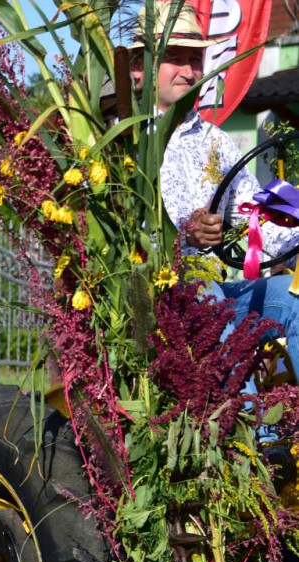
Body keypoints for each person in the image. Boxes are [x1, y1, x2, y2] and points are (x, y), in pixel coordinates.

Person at [129, 2, 299, 369]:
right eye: (176, 58)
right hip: (148, 305)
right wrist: (183, 238)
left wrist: (295, 228)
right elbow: (116, 245)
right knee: (208, 299)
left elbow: (254, 220)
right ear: (139, 67)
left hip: (214, 296)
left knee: (297, 296)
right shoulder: (122, 140)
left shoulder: (214, 141)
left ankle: (287, 423)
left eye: (196, 60)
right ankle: (248, 425)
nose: (190, 72)